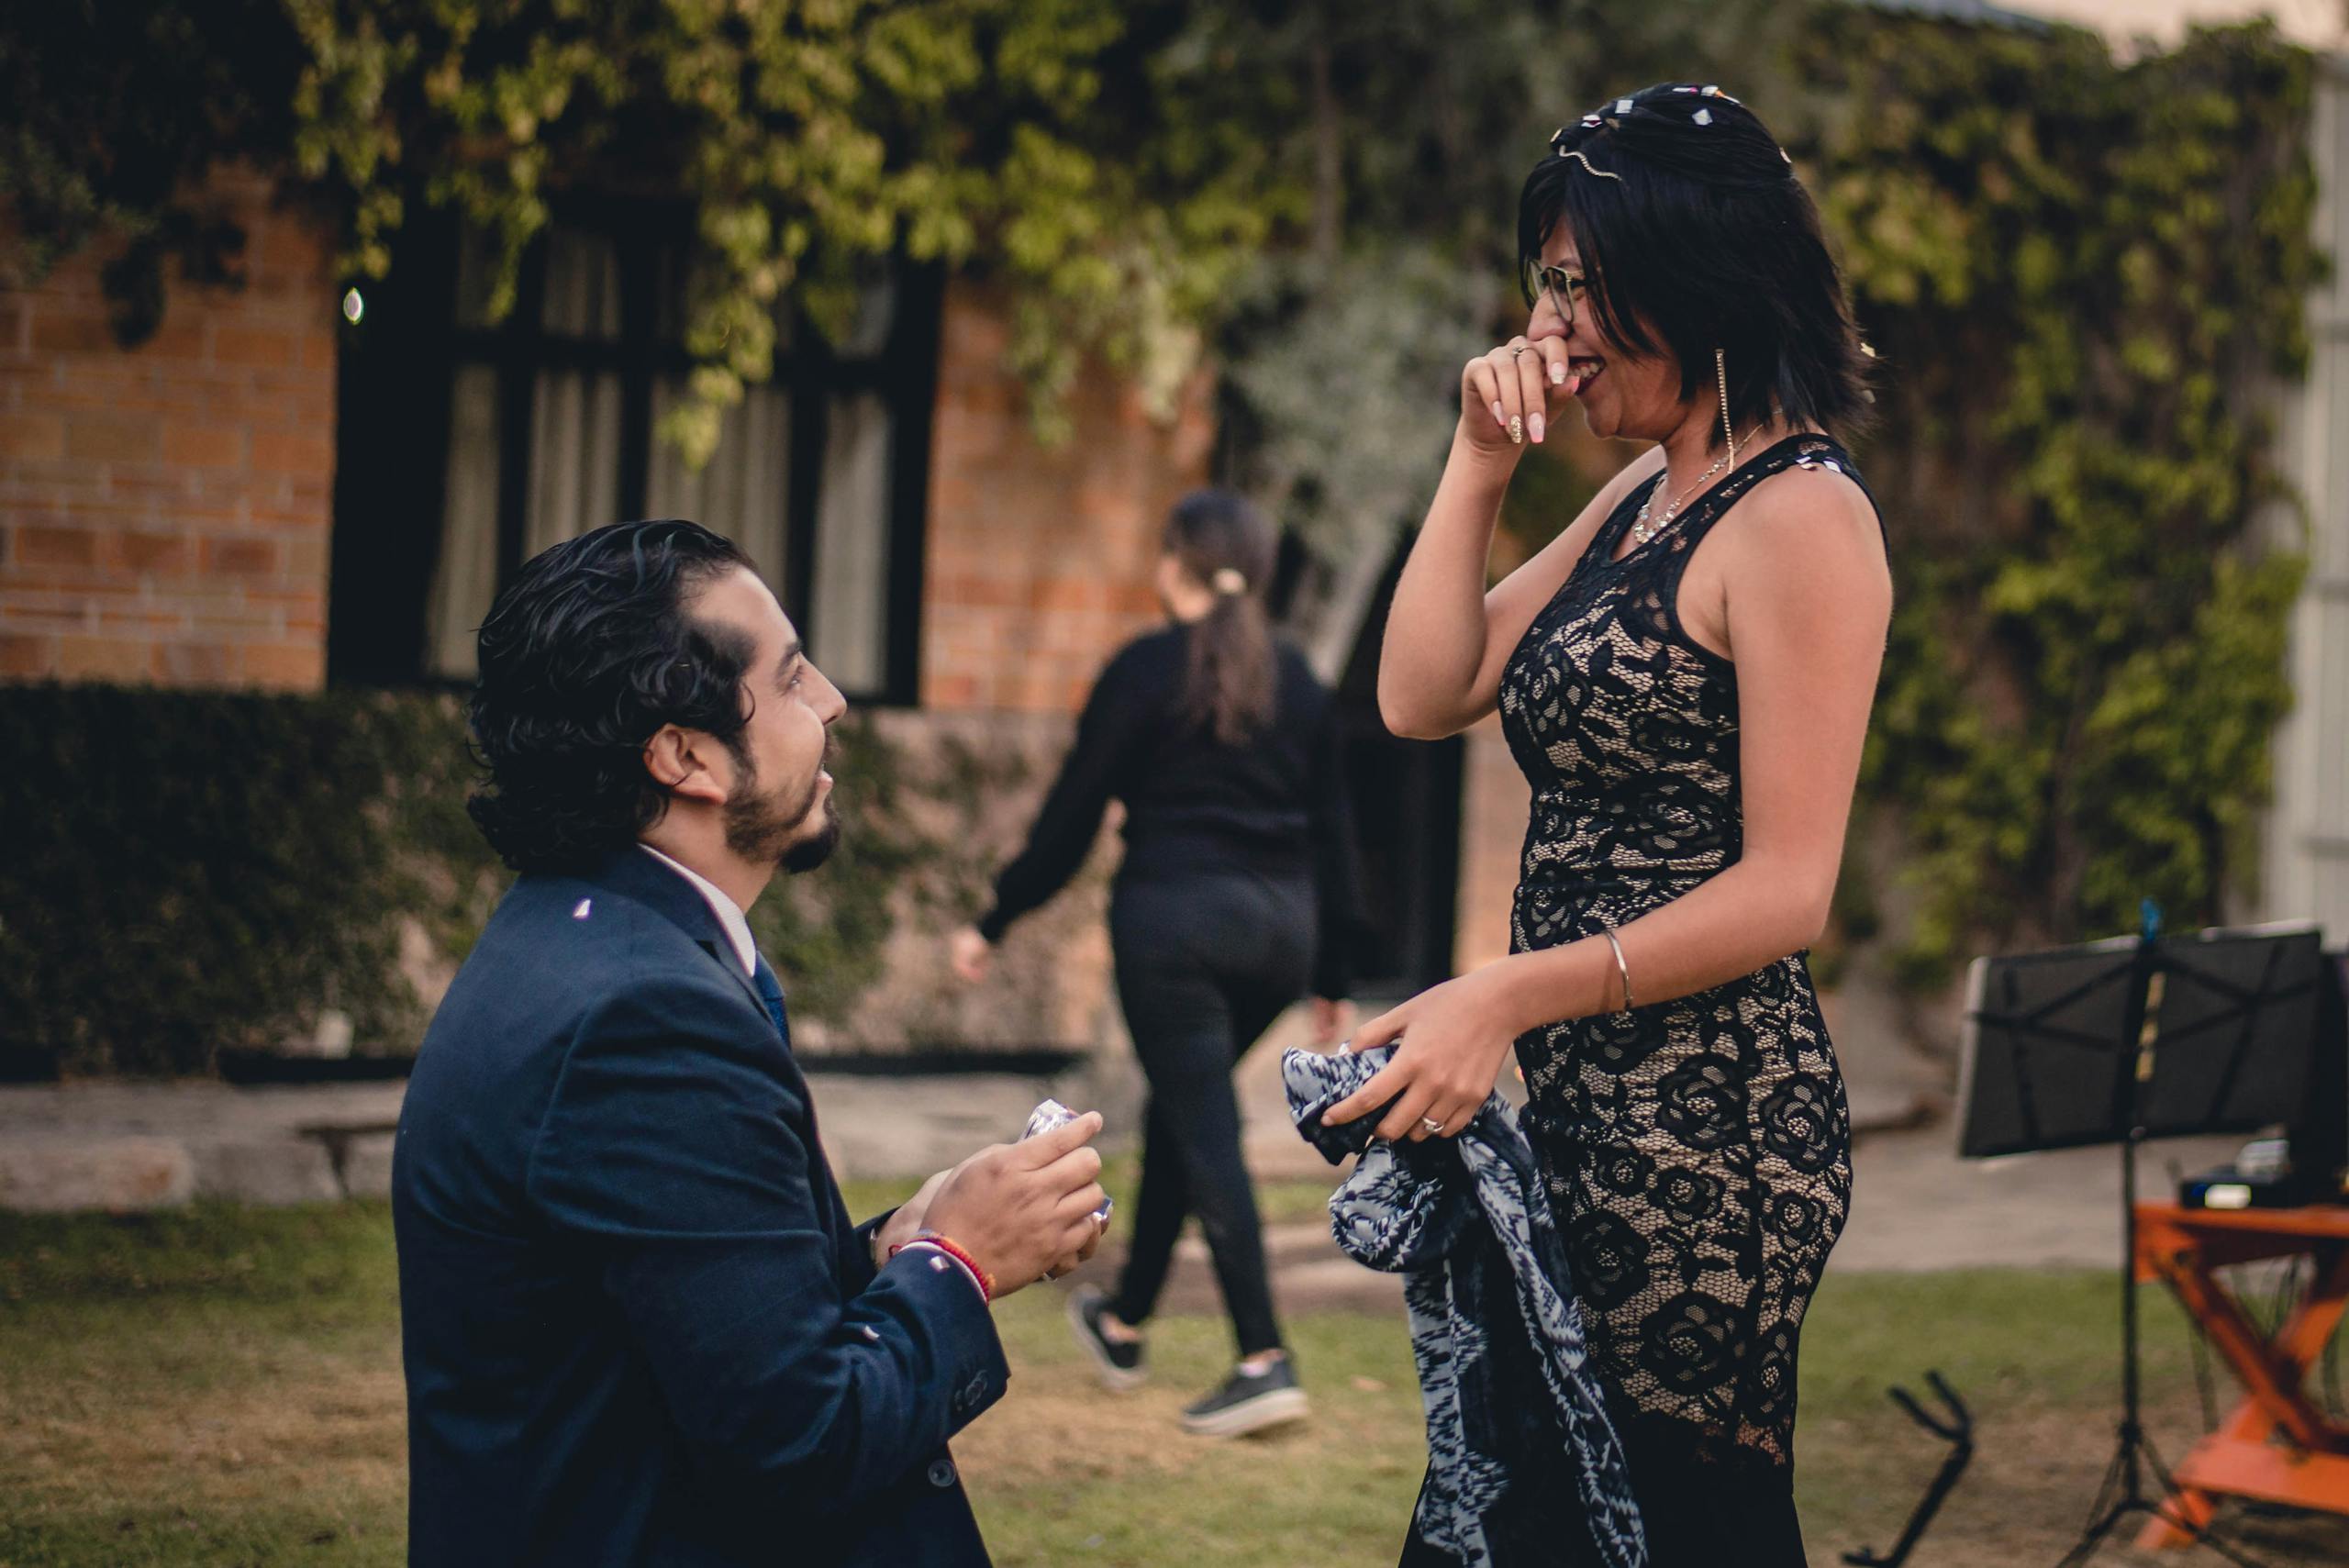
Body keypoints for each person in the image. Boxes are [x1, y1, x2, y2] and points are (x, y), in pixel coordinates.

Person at [1324, 84, 1889, 1567]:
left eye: (1579, 282)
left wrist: (1504, 991)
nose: (1549, 323)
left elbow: (1789, 887)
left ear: (1699, 278)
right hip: (1578, 1105)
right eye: (1545, 280)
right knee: (1511, 1509)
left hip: (1708, 1128)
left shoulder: (1803, 517)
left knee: (1662, 1522)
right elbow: (1420, 689)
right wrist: (1479, 457)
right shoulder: (1652, 489)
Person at [393, 518, 1108, 1568]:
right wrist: (959, 1262)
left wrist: (886, 1246)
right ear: (684, 755)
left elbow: (689, 1316)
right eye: (791, 678)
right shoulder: (641, 1017)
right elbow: (800, 1439)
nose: (831, 702)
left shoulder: (594, 938)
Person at [948, 488, 1362, 1438]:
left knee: (1204, 1127)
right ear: (1255, 574)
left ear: (1171, 565)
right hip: (1279, 936)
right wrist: (1332, 970)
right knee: (1192, 1106)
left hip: (1173, 926)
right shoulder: (1296, 677)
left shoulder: (1142, 670)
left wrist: (994, 917)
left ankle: (1262, 1356)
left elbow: (1071, 814)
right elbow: (1338, 835)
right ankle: (1127, 1321)